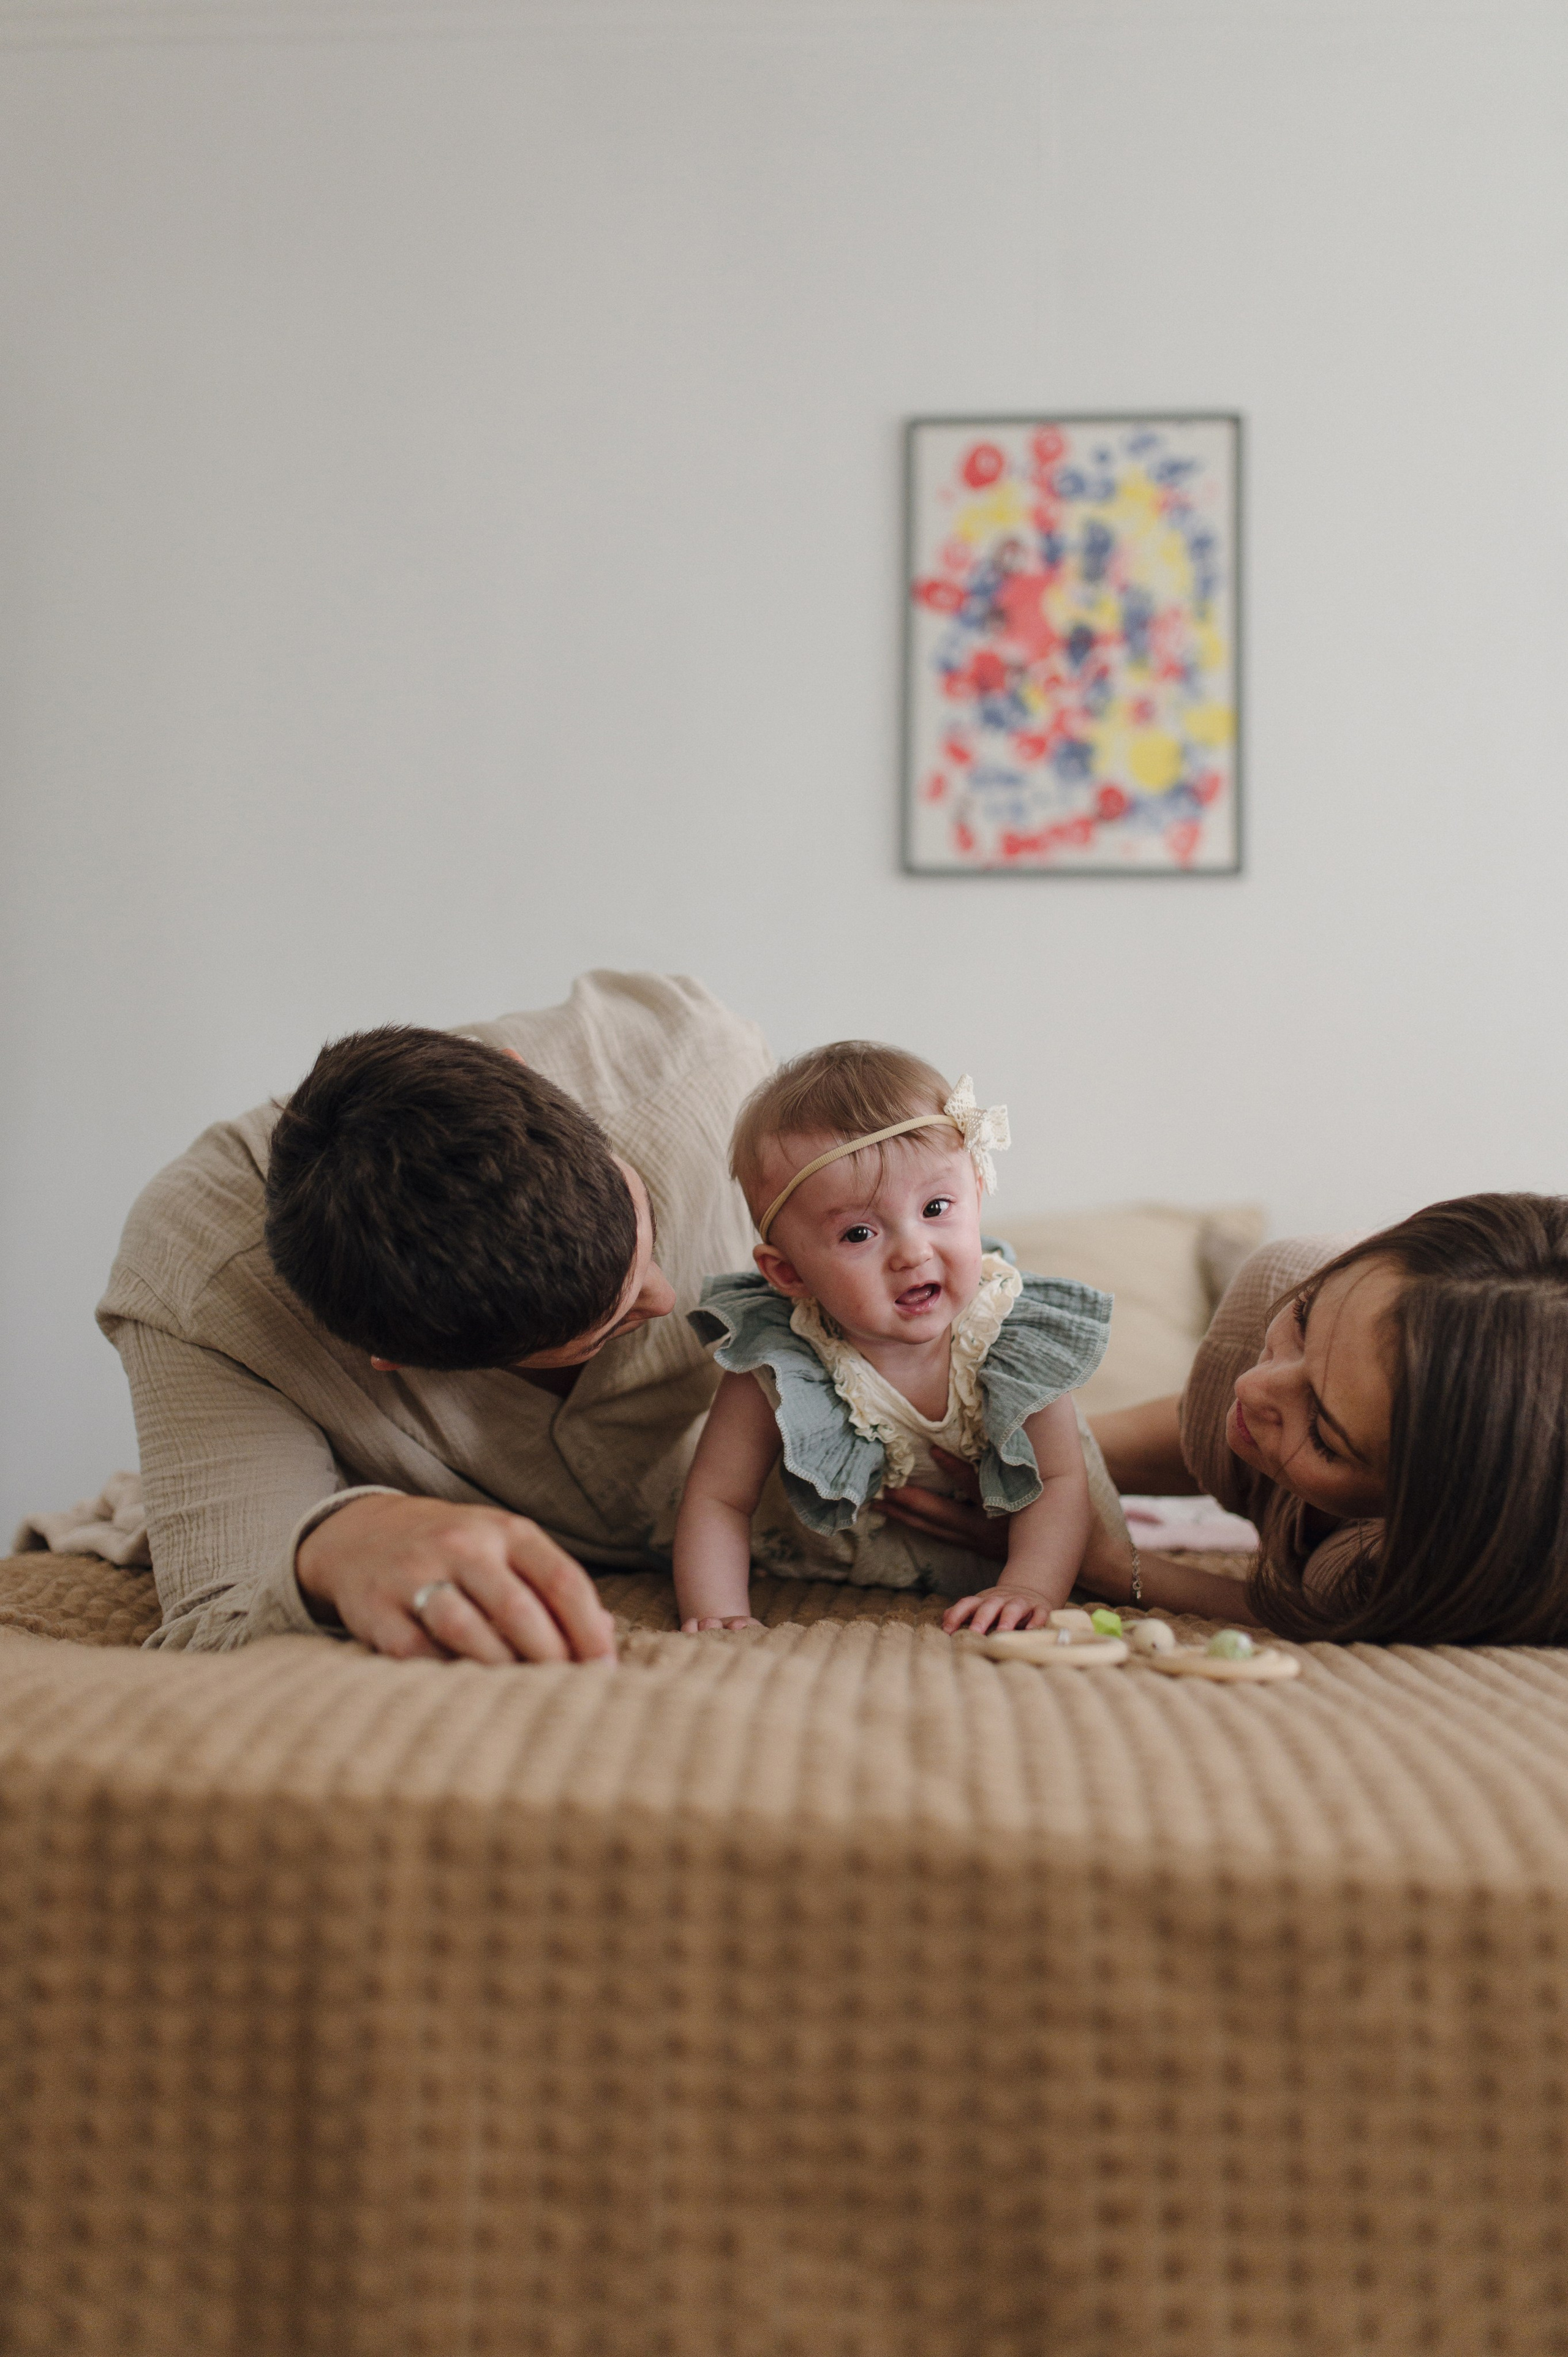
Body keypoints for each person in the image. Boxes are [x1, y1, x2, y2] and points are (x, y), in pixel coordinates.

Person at [97, 972, 772, 1662]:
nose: (666, 1299)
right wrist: (335, 1545)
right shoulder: (193, 1285)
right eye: (608, 1328)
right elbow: (216, 1615)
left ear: (525, 1074)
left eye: (643, 1225)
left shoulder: (703, 1067)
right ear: (394, 1356)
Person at [880, 1193, 1568, 1648]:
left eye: (1323, 1434)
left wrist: (1114, 1564)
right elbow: (1203, 1423)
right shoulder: (1282, 1287)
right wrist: (1032, 1461)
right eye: (1301, 1326)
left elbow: (1322, 1617)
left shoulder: (1427, 1566)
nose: (1255, 1382)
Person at [672, 1042, 1131, 1634]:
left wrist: (1027, 1588)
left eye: (937, 1206)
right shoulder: (782, 1360)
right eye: (860, 1232)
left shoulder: (1011, 1337)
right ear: (787, 1273)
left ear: (978, 1196)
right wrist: (718, 1615)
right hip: (822, 1568)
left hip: (1002, 1559)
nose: (913, 1251)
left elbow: (1060, 1481)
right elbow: (718, 1499)